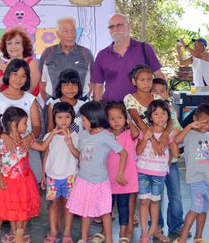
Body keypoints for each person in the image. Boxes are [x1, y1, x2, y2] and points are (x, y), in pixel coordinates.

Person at [0, 107, 55, 243]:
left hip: (24, 182)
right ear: (13, 124)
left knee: (22, 208)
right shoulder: (0, 142)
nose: (27, 126)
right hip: (6, 181)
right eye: (24, 123)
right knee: (1, 209)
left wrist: (52, 133)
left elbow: (42, 147)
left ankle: (19, 236)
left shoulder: (26, 141)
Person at [66, 101, 128, 243]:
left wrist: (120, 173)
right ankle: (83, 238)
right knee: (85, 211)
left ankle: (109, 239)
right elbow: (79, 156)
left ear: (93, 118)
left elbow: (123, 153)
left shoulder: (106, 136)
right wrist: (69, 144)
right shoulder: (83, 134)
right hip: (83, 180)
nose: (82, 122)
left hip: (99, 181)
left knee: (105, 212)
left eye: (84, 119)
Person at [173, 103, 209, 243]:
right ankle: (182, 238)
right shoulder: (189, 135)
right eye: (204, 122)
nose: (207, 126)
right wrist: (190, 126)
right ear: (195, 118)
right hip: (196, 179)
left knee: (203, 210)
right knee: (195, 209)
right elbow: (176, 140)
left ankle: (198, 236)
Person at [92, 13, 164, 103]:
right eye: (112, 27)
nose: (116, 29)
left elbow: (159, 76)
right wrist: (96, 110)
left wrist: (163, 102)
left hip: (141, 109)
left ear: (129, 27)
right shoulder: (102, 55)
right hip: (111, 110)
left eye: (119, 25)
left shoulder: (145, 49)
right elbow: (98, 86)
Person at [136, 100, 178, 243]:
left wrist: (166, 163)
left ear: (168, 116)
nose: (160, 117)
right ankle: (144, 232)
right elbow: (138, 150)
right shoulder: (146, 132)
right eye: (156, 114)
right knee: (143, 202)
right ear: (150, 117)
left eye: (163, 113)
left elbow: (175, 153)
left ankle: (153, 228)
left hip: (159, 174)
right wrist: (147, 137)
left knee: (155, 202)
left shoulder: (169, 134)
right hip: (143, 171)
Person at [151, 78, 187, 237]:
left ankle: (176, 225)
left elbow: (178, 132)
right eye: (155, 91)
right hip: (154, 162)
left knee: (176, 195)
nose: (159, 94)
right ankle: (156, 226)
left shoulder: (171, 111)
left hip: (171, 163)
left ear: (167, 93)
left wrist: (174, 146)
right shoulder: (148, 112)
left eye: (162, 91)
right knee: (155, 196)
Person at [41, 102, 79, 243]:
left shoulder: (76, 136)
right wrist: (43, 174)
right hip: (52, 177)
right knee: (53, 204)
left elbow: (78, 156)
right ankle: (53, 231)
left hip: (70, 176)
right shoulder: (49, 136)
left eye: (67, 117)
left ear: (72, 118)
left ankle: (67, 233)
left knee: (69, 205)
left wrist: (70, 144)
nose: (63, 120)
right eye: (59, 117)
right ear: (54, 118)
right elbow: (46, 155)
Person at [105, 102, 140, 242]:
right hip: (109, 177)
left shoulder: (129, 134)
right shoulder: (106, 134)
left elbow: (137, 133)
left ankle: (123, 232)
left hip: (126, 177)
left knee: (123, 206)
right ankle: (105, 230)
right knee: (108, 206)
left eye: (119, 117)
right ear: (107, 121)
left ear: (125, 118)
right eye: (112, 118)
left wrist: (130, 121)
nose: (116, 121)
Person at [39, 17, 94, 102]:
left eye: (73, 30)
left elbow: (92, 83)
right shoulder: (48, 53)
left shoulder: (86, 53)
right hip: (54, 105)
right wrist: (51, 103)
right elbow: (42, 83)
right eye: (66, 31)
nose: (70, 35)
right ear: (58, 34)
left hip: (80, 105)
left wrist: (80, 102)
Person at [0, 27, 40, 95]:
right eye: (9, 43)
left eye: (17, 43)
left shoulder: (31, 63)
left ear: (24, 45)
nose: (13, 46)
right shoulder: (3, 65)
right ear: (5, 46)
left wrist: (8, 71)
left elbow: (29, 90)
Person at [46, 69, 84, 133]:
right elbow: (50, 128)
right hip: (59, 141)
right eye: (67, 85)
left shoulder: (83, 105)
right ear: (60, 86)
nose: (71, 88)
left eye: (74, 85)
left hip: (79, 141)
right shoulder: (53, 104)